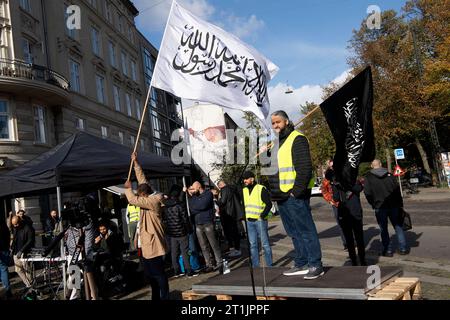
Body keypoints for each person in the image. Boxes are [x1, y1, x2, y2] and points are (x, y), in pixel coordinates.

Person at [268, 110, 324, 279]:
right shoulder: (276, 143)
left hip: (293, 196)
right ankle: (301, 263)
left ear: (286, 121)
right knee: (294, 232)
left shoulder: (297, 138)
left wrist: (296, 192)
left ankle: (315, 264)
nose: (275, 125)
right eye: (273, 123)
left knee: (306, 230)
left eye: (278, 122)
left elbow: (305, 168)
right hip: (281, 197)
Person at [124, 152, 169, 300]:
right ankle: (156, 296)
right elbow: (142, 179)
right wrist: (136, 163)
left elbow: (132, 199)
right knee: (150, 275)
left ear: (145, 195)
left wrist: (128, 188)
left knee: (158, 274)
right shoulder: (149, 193)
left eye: (140, 194)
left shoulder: (153, 201)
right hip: (146, 244)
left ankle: (164, 297)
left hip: (153, 244)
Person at [364, 159, 409, 256]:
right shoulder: (390, 175)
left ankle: (388, 250)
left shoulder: (368, 177)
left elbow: (367, 193)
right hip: (394, 205)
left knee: (383, 228)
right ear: (380, 164)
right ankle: (403, 248)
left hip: (380, 206)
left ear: (372, 166)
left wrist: (373, 203)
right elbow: (397, 191)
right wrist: (400, 204)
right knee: (398, 226)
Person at [186, 181, 222, 273]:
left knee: (213, 244)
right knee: (203, 246)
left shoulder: (208, 194)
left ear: (199, 187)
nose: (192, 190)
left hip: (207, 222)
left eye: (194, 188)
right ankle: (209, 264)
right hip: (198, 223)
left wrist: (196, 206)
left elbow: (202, 205)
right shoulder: (194, 196)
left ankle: (219, 263)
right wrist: (194, 201)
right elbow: (191, 208)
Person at [162, 185, 197, 278]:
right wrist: (189, 230)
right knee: (184, 251)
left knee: (174, 252)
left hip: (172, 233)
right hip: (182, 232)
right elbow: (185, 219)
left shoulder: (165, 206)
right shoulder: (179, 205)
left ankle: (176, 271)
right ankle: (188, 270)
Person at [331, 177, 367, 266]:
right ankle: (362, 259)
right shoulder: (354, 180)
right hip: (355, 210)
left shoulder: (336, 182)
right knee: (359, 237)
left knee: (349, 238)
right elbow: (359, 189)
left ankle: (353, 260)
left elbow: (335, 198)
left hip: (344, 211)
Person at [242, 171, 273, 267]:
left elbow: (269, 204)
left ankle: (270, 266)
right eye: (244, 179)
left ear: (252, 179)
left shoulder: (261, 189)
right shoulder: (244, 190)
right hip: (249, 222)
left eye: (246, 178)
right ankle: (256, 266)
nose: (244, 181)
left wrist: (262, 216)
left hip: (260, 221)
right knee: (253, 245)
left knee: (265, 244)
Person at [321, 165, 347, 250]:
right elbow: (324, 191)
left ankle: (352, 241)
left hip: (345, 202)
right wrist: (330, 200)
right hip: (336, 204)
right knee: (341, 224)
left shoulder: (342, 174)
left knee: (349, 222)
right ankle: (346, 243)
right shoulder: (327, 179)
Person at [217, 180, 244, 257]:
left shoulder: (224, 189)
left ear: (220, 185)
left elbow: (222, 202)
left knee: (232, 233)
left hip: (229, 214)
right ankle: (236, 249)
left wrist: (215, 200)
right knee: (235, 232)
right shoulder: (232, 188)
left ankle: (236, 250)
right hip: (234, 213)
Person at [10, 215, 35, 289]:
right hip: (16, 251)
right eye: (14, 224)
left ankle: (31, 287)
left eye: (16, 224)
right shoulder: (15, 227)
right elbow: (15, 239)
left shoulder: (28, 227)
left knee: (28, 270)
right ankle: (28, 285)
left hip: (25, 252)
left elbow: (30, 240)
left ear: (20, 221)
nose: (15, 226)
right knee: (18, 269)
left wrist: (21, 250)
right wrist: (12, 248)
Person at [0, 217, 12, 299]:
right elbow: (8, 237)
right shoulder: (4, 227)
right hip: (4, 249)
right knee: (4, 269)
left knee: (3, 270)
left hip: (3, 250)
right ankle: (8, 291)